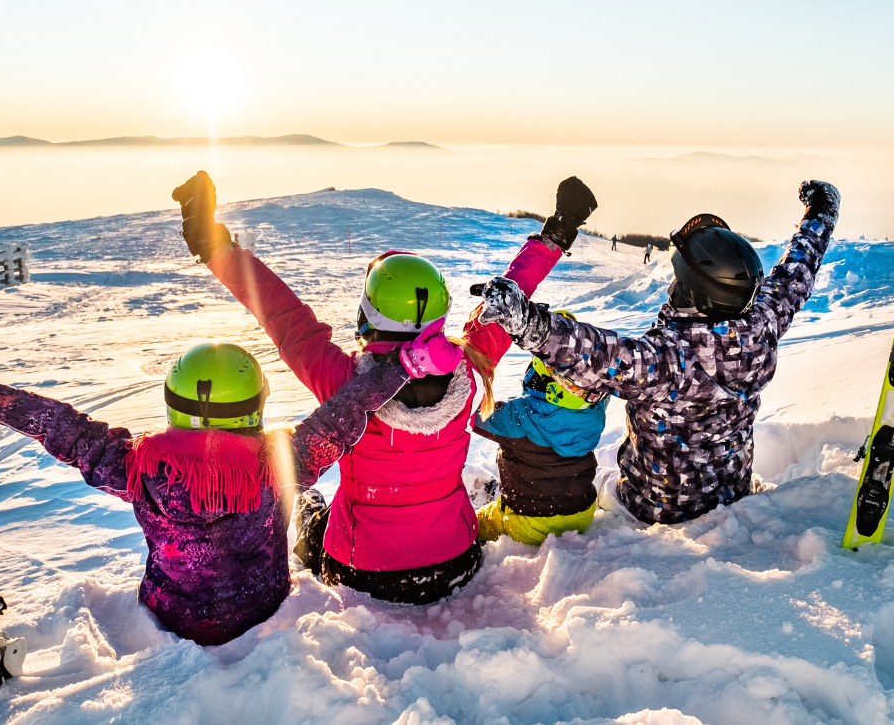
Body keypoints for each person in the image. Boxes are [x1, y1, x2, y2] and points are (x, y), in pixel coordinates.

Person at [171, 171, 597, 603]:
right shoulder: (470, 367)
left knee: (310, 510)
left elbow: (283, 315)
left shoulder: (343, 383)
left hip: (362, 571)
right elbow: (509, 298)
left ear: (368, 314)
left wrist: (214, 247)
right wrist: (557, 231)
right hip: (455, 561)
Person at [0, 336, 450, 645]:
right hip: (264, 608)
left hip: (172, 615)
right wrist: (403, 367)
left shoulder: (138, 465)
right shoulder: (280, 461)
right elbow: (344, 414)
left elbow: (59, 427)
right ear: (254, 404)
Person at [474, 180, 839, 526]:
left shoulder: (667, 360)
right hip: (731, 491)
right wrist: (820, 214)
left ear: (695, 293)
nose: (671, 284)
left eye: (678, 278)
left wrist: (525, 320)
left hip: (654, 508)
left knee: (596, 490)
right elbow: (796, 273)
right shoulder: (763, 323)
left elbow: (594, 354)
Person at [473, 310, 611, 546]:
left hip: (529, 522)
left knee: (478, 524)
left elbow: (474, 415)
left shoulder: (519, 416)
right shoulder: (594, 410)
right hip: (581, 513)